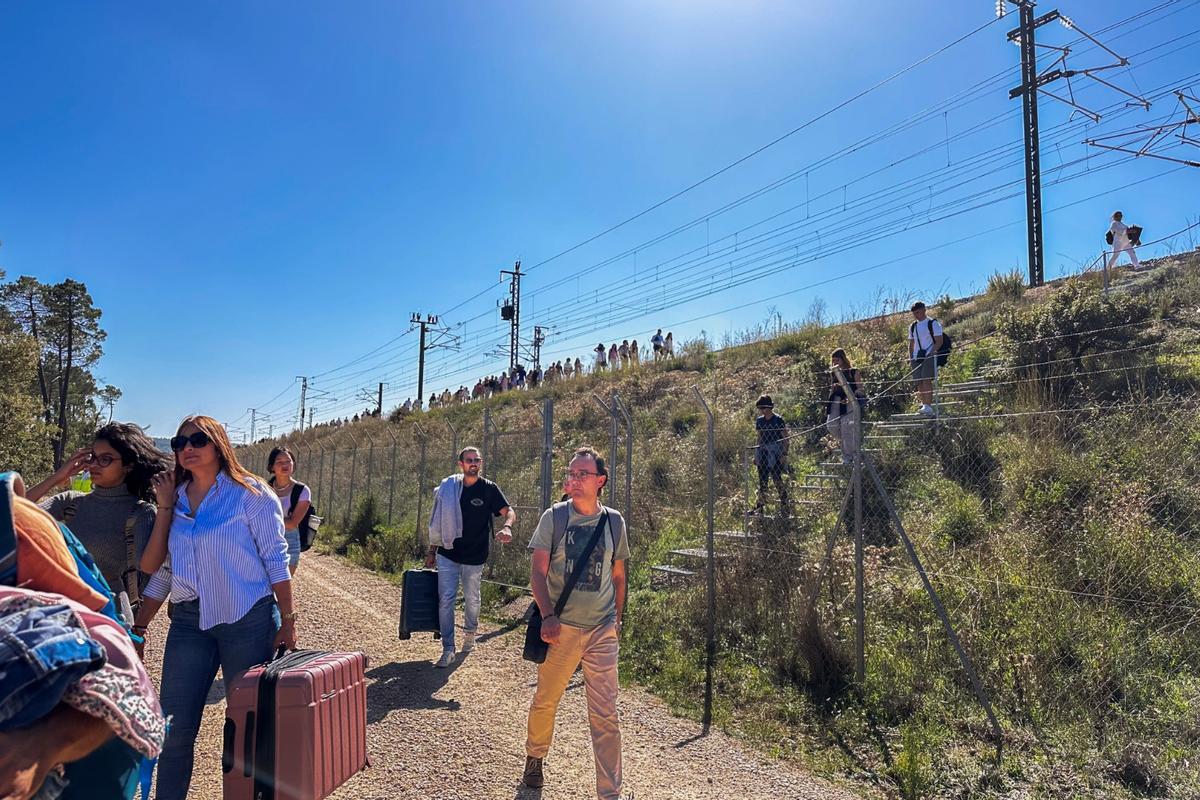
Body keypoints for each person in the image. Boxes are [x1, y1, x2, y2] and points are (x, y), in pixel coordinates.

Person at [134, 416, 297, 800]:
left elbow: (276, 559)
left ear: (219, 443)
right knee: (173, 731)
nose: (186, 447)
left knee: (248, 731)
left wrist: (288, 619)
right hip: (189, 623)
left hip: (248, 620)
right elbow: (165, 572)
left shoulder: (251, 493)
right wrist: (138, 627)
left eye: (197, 439)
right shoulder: (174, 499)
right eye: (179, 441)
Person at [524, 446, 629, 800]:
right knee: (546, 700)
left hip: (602, 630)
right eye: (571, 474)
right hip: (561, 629)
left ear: (600, 481)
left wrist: (616, 619)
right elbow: (538, 574)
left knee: (605, 715)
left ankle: (609, 792)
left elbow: (618, 576)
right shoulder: (554, 518)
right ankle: (535, 756)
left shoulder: (614, 521)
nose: (574, 480)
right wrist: (549, 615)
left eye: (582, 474)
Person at [25, 422, 169, 604]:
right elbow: (16, 513)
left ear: (128, 465)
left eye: (105, 459)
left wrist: (165, 508)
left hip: (107, 611)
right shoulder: (71, 502)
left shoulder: (140, 512)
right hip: (61, 604)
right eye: (92, 457)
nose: (94, 465)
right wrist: (57, 477)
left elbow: (149, 567)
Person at [425, 447, 515, 668]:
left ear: (481, 463)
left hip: (475, 555)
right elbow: (438, 521)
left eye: (476, 460)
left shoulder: (489, 489)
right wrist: (432, 550)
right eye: (469, 460)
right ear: (461, 464)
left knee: (472, 599)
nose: (473, 463)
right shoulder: (449, 488)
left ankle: (469, 635)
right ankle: (448, 648)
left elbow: (509, 511)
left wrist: (507, 527)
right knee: (446, 599)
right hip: (448, 552)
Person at [266, 447, 311, 576]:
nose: (284, 465)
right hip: (265, 542)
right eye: (279, 462)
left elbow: (292, 523)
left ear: (293, 465)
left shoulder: (302, 491)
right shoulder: (264, 488)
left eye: (288, 461)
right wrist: (283, 519)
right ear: (272, 466)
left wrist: (268, 518)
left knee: (282, 587)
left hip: (289, 544)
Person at [826, 349, 866, 465]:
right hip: (836, 401)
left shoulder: (853, 372)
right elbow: (831, 389)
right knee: (832, 426)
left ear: (843, 359)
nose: (834, 363)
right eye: (833, 361)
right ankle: (850, 447)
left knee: (847, 428)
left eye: (837, 360)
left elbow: (860, 389)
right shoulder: (833, 372)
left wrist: (852, 398)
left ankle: (848, 457)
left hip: (850, 402)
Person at [752, 395, 789, 514]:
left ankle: (784, 502)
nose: (761, 410)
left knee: (776, 478)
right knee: (762, 480)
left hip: (775, 453)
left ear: (768, 407)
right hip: (763, 452)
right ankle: (760, 506)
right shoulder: (760, 421)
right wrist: (756, 455)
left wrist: (784, 454)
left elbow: (785, 438)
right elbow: (759, 438)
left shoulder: (778, 420)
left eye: (763, 407)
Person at [908, 301, 943, 417]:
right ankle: (924, 405)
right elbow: (911, 343)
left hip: (929, 355)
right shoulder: (913, 326)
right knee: (919, 381)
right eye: (914, 313)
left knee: (926, 379)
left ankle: (928, 405)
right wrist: (911, 357)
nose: (916, 315)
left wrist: (931, 353)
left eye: (917, 312)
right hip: (916, 357)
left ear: (923, 310)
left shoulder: (933, 323)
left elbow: (939, 341)